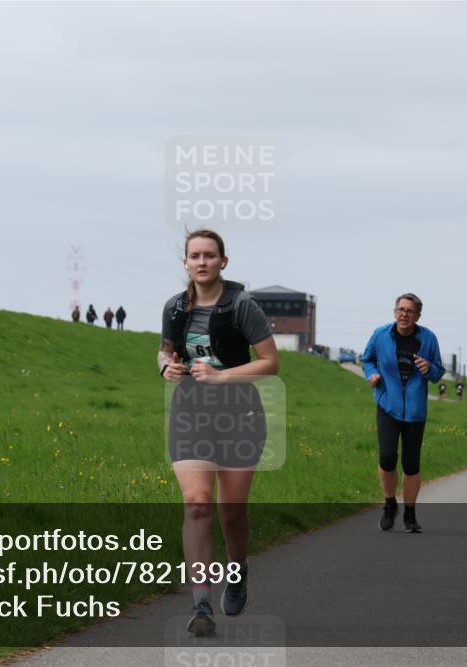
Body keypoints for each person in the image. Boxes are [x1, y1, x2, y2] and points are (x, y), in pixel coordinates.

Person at [157, 228, 278, 635]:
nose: (203, 261)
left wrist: (223, 378)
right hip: (191, 413)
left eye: (210, 255)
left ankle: (238, 566)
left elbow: (270, 362)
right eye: (195, 255)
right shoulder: (175, 308)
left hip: (239, 415)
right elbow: (166, 349)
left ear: (223, 261)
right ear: (186, 263)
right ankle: (201, 602)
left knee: (232, 512)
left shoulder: (243, 305)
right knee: (197, 503)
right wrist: (166, 366)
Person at [361, 293, 445, 534]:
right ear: (394, 312)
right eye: (401, 309)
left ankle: (410, 513)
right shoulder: (380, 335)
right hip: (387, 404)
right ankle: (389, 504)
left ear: (417, 315)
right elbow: (367, 359)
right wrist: (371, 375)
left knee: (411, 464)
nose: (404, 314)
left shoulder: (428, 338)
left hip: (415, 411)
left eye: (409, 311)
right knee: (387, 457)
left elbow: (438, 371)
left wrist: (429, 368)